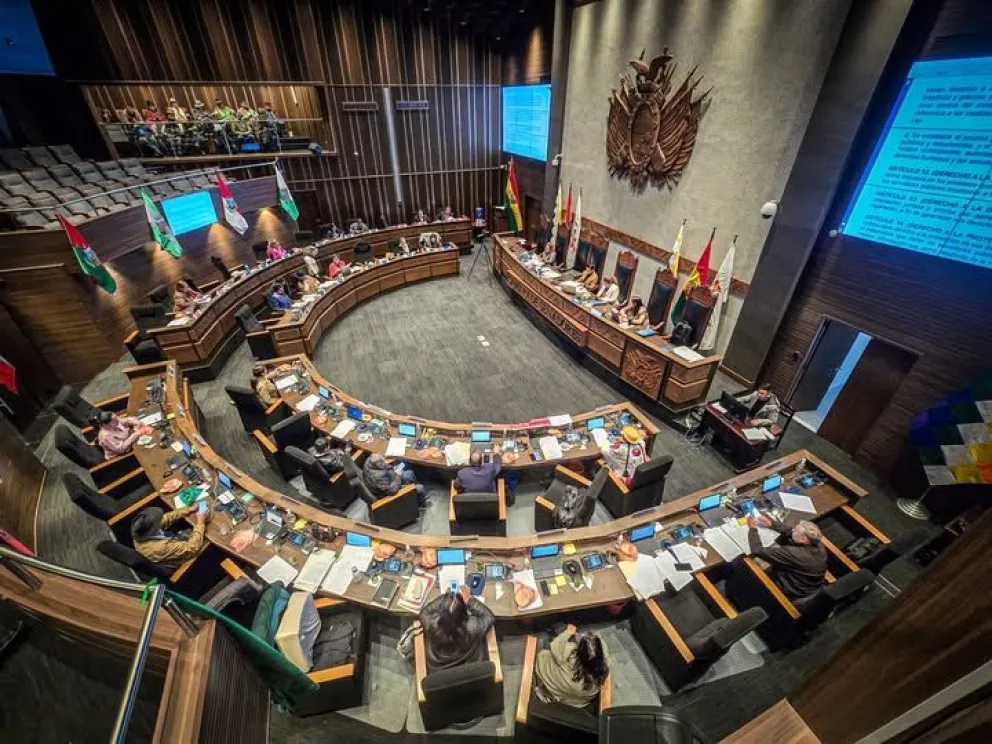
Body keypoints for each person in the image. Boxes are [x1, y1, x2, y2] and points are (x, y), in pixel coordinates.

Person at [747, 515, 827, 601]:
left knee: (748, 566)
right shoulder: (817, 543)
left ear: (803, 539)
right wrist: (772, 524)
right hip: (808, 582)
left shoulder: (795, 553)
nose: (792, 530)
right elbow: (790, 531)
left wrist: (752, 528)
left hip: (793, 589)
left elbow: (757, 551)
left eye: (795, 530)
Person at [418, 585, 495, 670]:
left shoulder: (432, 624)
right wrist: (469, 600)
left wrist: (444, 599)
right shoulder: (473, 626)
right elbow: (489, 616)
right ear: (463, 612)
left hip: (439, 668)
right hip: (468, 665)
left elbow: (424, 613)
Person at [535, 626, 610, 708]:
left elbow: (555, 644)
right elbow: (597, 646)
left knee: (548, 648)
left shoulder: (568, 653)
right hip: (577, 702)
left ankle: (544, 690)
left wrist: (569, 631)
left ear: (579, 651)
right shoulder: (604, 662)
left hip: (553, 685)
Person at [131, 505, 208, 568]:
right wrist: (200, 522)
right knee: (207, 535)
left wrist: (189, 509)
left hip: (173, 543)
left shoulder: (140, 531)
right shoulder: (159, 548)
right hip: (183, 556)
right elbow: (192, 548)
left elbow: (165, 518)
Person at [362, 453, 428, 506]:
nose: (384, 463)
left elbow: (384, 466)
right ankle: (419, 503)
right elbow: (392, 491)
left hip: (389, 481)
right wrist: (397, 476)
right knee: (420, 488)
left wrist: (392, 469)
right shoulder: (377, 478)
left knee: (409, 473)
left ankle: (413, 494)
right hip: (390, 494)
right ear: (378, 464)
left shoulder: (370, 462)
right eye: (382, 462)